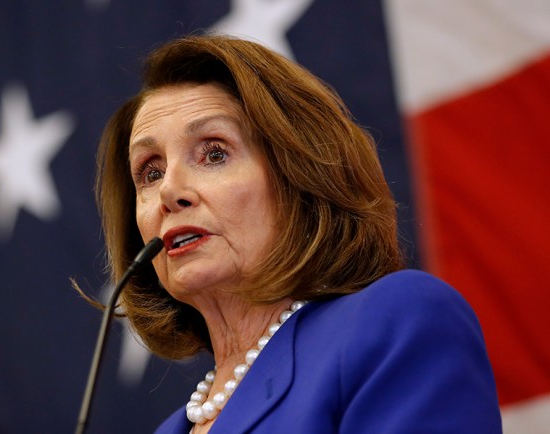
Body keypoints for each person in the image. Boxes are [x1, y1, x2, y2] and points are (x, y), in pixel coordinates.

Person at [93, 35, 502, 433]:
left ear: (299, 179)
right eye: (150, 172)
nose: (169, 192)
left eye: (214, 153)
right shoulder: (172, 429)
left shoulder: (396, 323)